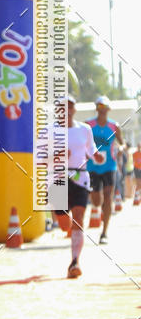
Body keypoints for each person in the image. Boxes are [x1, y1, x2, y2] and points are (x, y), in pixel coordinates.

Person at [55, 95, 103, 278]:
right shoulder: (50, 131)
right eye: (63, 107)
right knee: (64, 224)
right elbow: (41, 157)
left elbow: (91, 150)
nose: (67, 110)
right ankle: (61, 218)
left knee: (79, 218)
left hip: (80, 176)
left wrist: (97, 156)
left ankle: (75, 261)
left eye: (70, 107)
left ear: (75, 109)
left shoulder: (85, 129)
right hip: (58, 178)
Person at [87, 95, 123, 244]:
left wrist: (121, 148)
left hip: (109, 166)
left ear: (108, 109)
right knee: (96, 200)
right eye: (99, 107)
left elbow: (122, 143)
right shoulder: (88, 125)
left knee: (108, 196)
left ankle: (104, 232)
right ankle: (99, 205)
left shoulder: (114, 126)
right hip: (92, 166)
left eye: (104, 107)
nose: (102, 110)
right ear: (96, 108)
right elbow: (83, 142)